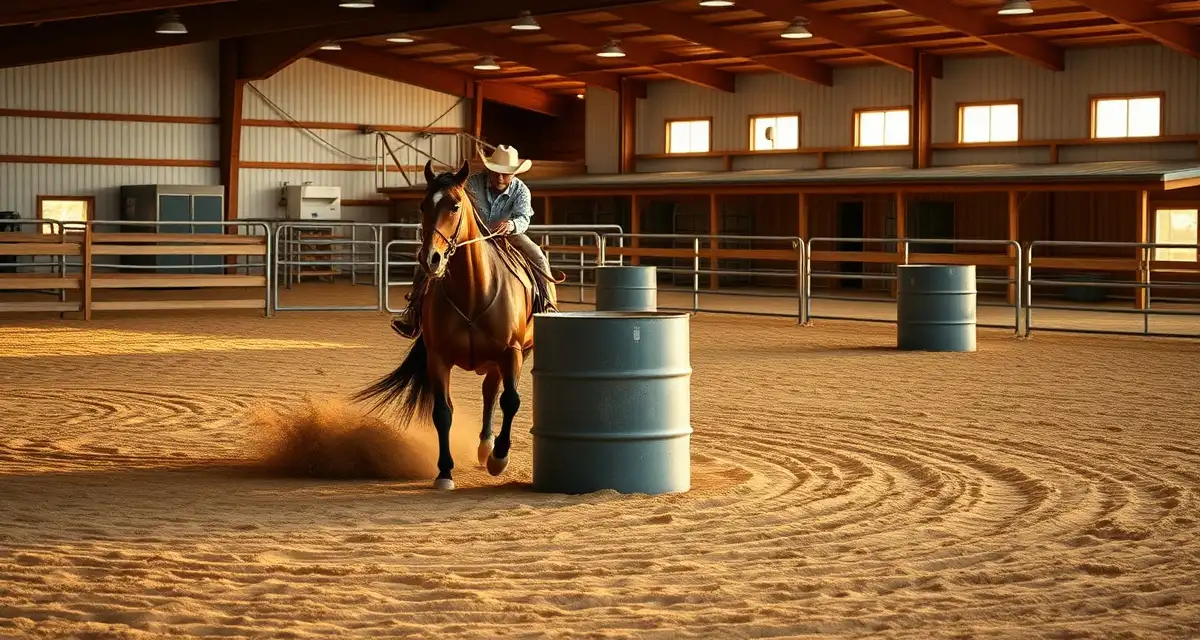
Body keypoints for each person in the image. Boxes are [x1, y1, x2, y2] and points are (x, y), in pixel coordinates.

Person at [391, 144, 555, 339]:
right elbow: (451, 197)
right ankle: (414, 312)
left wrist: (511, 225)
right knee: (427, 259)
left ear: (514, 173)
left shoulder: (521, 191)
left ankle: (547, 306)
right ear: (489, 169)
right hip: (471, 236)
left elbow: (523, 219)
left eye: (505, 174)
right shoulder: (472, 183)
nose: (500, 178)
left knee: (537, 255)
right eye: (496, 173)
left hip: (506, 235)